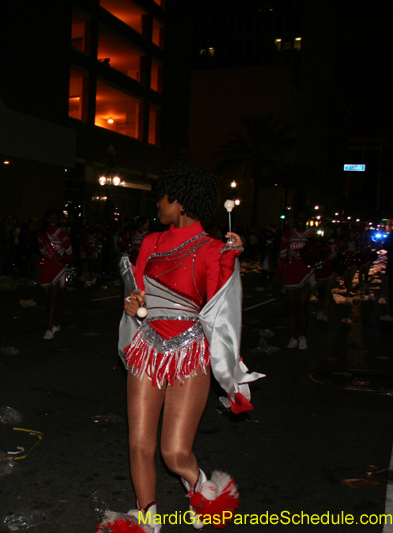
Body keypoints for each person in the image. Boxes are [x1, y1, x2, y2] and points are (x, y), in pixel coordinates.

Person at [120, 164, 251, 531]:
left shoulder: (212, 249)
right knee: (139, 445)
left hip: (189, 354)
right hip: (147, 348)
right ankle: (147, 520)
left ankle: (200, 486)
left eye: (162, 198)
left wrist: (230, 260)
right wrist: (132, 301)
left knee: (174, 454)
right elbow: (139, 293)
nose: (157, 205)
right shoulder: (151, 242)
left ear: (179, 202)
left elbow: (221, 310)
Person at [274, 209, 314, 349]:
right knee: (292, 307)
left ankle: (302, 336)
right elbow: (282, 256)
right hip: (291, 273)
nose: (301, 219)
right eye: (298, 217)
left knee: (303, 305)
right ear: (294, 219)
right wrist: (277, 275)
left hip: (307, 272)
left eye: (303, 216)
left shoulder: (312, 234)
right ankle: (293, 337)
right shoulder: (288, 234)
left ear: (307, 219)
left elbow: (319, 254)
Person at [38, 208, 73, 340]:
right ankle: (55, 323)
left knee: (52, 298)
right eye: (50, 218)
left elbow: (69, 252)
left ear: (58, 220)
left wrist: (61, 262)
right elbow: (42, 251)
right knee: (47, 300)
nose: (52, 221)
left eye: (55, 218)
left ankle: (49, 328)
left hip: (58, 269)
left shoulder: (63, 235)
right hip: (46, 268)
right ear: (46, 219)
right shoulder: (42, 235)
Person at [315, 224, 340, 322]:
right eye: (326, 229)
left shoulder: (337, 242)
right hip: (321, 269)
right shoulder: (319, 241)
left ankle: (325, 313)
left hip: (331, 268)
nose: (328, 231)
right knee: (320, 291)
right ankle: (320, 309)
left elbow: (344, 250)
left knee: (327, 291)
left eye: (330, 229)